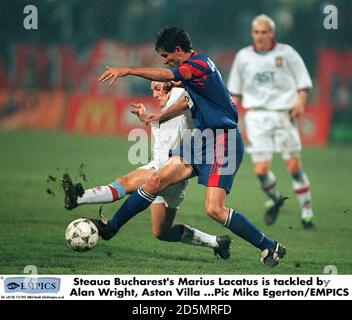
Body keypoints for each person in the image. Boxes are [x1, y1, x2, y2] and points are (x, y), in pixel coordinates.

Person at [94, 26, 286, 267]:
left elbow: (165, 76)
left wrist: (128, 70)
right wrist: (159, 117)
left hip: (223, 141)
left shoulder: (199, 65)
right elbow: (187, 100)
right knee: (155, 182)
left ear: (177, 50)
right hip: (202, 140)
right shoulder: (193, 72)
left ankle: (270, 246)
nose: (166, 62)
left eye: (166, 56)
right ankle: (111, 228)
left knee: (214, 209)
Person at [62, 81, 232, 259]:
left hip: (171, 172)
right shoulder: (167, 109)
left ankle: (78, 197)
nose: (154, 94)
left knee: (125, 182)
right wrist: (146, 119)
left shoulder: (181, 98)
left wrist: (130, 72)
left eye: (158, 88)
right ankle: (217, 242)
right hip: (162, 171)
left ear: (171, 85)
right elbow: (166, 129)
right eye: (152, 90)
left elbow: (182, 86)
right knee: (162, 232)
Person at [227, 14, 315, 230]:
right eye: (256, 32)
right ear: (252, 34)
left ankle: (307, 213)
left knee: (293, 166)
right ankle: (276, 198)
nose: (260, 36)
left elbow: (303, 84)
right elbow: (235, 92)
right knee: (260, 170)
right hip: (256, 117)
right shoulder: (243, 56)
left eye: (264, 32)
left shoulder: (287, 53)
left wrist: (300, 103)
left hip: (283, 115)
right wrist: (229, 114)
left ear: (272, 33)